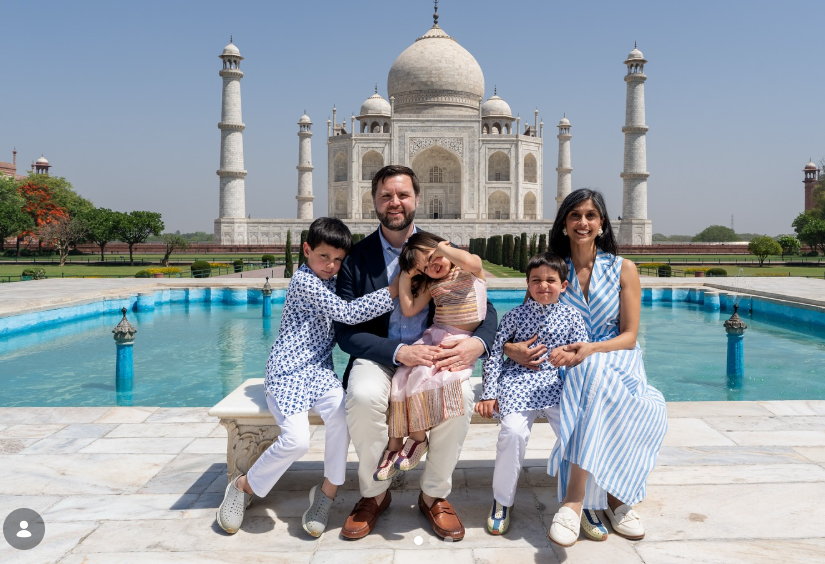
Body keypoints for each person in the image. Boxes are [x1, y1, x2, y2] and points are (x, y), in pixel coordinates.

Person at [335, 165, 498, 541]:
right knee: (361, 396)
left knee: (459, 397)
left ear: (417, 199)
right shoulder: (357, 259)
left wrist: (479, 343)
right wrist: (399, 352)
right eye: (386, 195)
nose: (395, 203)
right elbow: (345, 332)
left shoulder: (437, 248)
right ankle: (375, 496)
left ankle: (434, 495)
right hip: (381, 355)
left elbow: (482, 304)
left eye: (402, 195)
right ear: (373, 200)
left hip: (435, 351)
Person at [503, 189, 668, 547]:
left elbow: (629, 335)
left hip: (616, 356)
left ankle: (575, 500)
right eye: (575, 215)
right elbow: (527, 322)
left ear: (602, 223)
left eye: (590, 216)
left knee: (597, 376)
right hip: (563, 361)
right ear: (564, 224)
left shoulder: (623, 268)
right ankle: (614, 496)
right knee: (591, 379)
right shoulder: (552, 270)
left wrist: (591, 348)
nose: (583, 222)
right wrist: (509, 347)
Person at [216, 217, 399, 538]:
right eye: (324, 256)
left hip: (319, 371)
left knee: (342, 417)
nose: (331, 265)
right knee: (297, 440)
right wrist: (394, 290)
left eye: (339, 259)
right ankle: (244, 486)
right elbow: (349, 313)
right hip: (287, 372)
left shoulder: (332, 280)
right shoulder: (305, 282)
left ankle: (326, 493)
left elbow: (349, 302)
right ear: (306, 250)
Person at [475, 252, 588, 536]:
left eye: (551, 280)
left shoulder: (572, 317)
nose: (543, 286)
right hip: (518, 383)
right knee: (512, 433)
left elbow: (584, 354)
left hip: (558, 385)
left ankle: (585, 504)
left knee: (582, 433)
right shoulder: (515, 316)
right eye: (536, 280)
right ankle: (502, 501)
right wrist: (489, 393)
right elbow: (493, 356)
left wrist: (571, 360)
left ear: (563, 285)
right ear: (527, 284)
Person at [373, 232, 487, 482]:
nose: (432, 265)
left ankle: (417, 438)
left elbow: (472, 262)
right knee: (401, 378)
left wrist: (444, 249)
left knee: (421, 376)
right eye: (426, 267)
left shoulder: (468, 269)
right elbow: (409, 307)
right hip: (436, 335)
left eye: (433, 257)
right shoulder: (431, 283)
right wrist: (405, 277)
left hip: (455, 341)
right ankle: (394, 445)